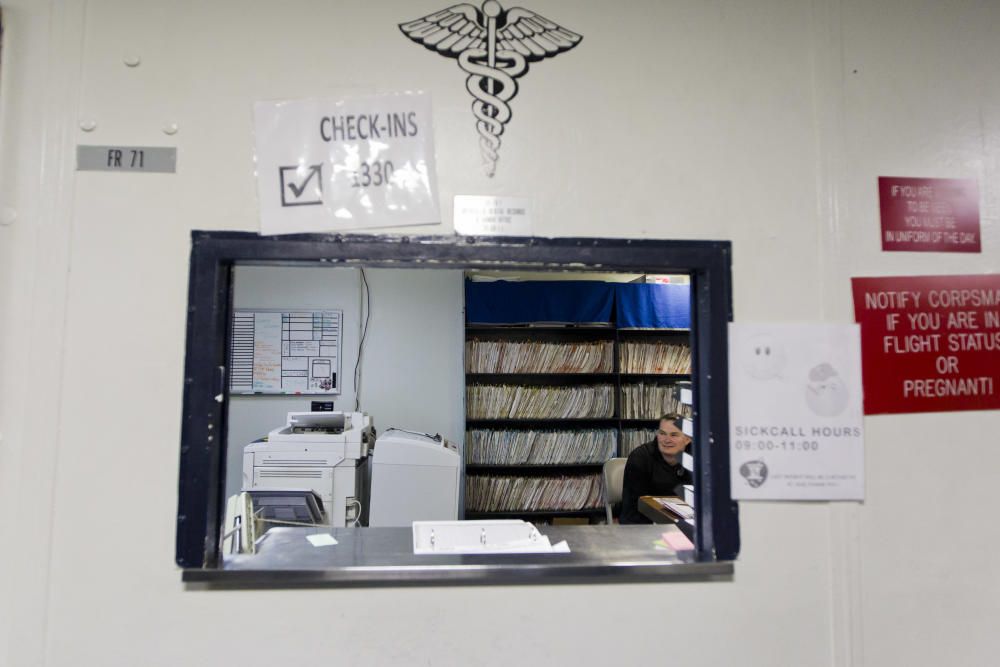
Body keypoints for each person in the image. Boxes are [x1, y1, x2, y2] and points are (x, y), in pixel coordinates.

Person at [619, 413, 692, 524]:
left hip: (688, 526)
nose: (667, 440)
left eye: (674, 435)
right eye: (662, 433)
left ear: (687, 439)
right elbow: (632, 511)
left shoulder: (699, 458)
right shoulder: (640, 457)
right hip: (648, 527)